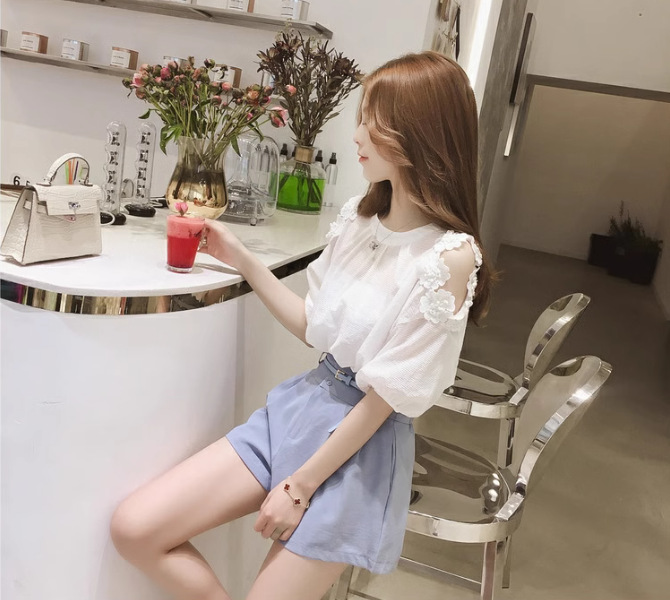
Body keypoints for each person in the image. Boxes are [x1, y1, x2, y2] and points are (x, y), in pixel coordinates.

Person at [110, 50, 493, 600]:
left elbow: (386, 397)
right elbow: (314, 325)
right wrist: (240, 257)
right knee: (135, 528)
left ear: (420, 133)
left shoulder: (448, 257)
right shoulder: (359, 220)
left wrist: (301, 485)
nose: (357, 134)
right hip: (303, 407)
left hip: (360, 448)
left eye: (373, 121)